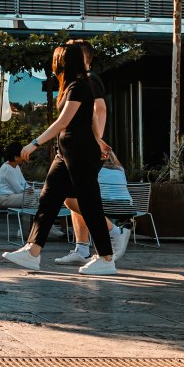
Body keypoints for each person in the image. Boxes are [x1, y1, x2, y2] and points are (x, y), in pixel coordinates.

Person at [2, 43, 119, 276]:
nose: (52, 64)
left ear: (63, 62)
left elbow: (63, 122)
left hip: (79, 150)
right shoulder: (72, 87)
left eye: (56, 59)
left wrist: (34, 144)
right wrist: (99, 139)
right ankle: (32, 251)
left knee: (88, 201)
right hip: (66, 150)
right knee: (49, 197)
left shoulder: (79, 87)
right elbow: (90, 119)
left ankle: (106, 258)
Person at [55, 39, 130, 265]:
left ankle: (114, 232)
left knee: (75, 198)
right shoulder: (77, 80)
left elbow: (100, 108)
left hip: (86, 148)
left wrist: (97, 140)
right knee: (73, 197)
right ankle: (82, 248)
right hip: (78, 147)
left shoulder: (88, 79)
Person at [0, 143, 31, 208]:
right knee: (33, 197)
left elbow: (23, 182)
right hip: (4, 198)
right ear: (16, 157)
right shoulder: (7, 169)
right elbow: (17, 189)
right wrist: (29, 192)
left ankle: (34, 217)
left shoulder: (16, 166)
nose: (24, 156)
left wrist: (30, 188)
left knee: (39, 194)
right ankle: (35, 218)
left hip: (13, 195)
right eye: (22, 154)